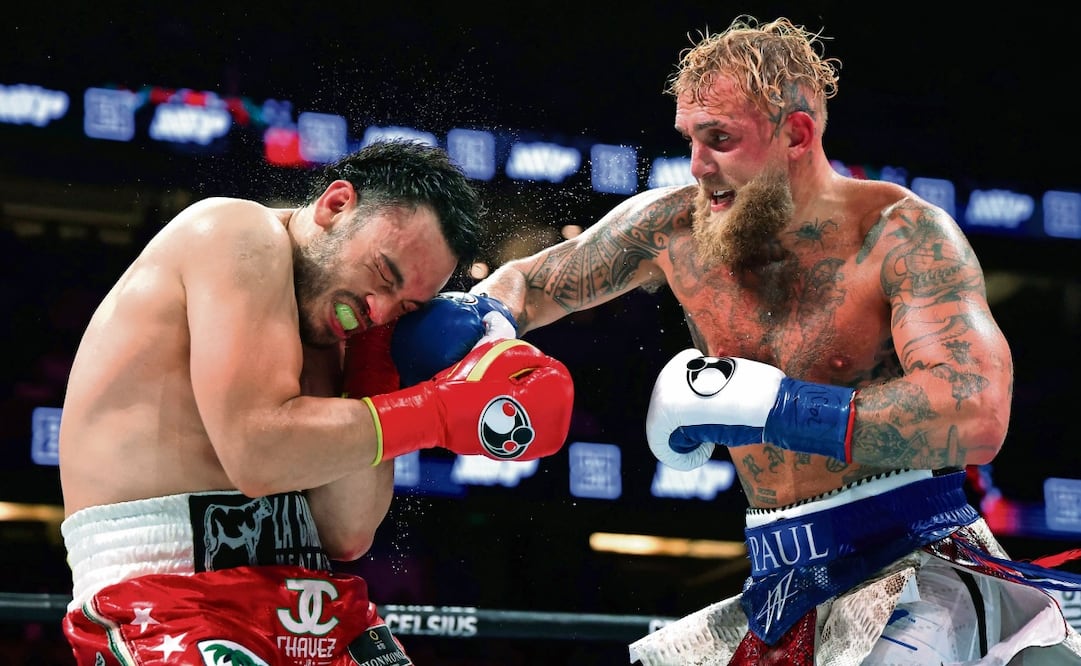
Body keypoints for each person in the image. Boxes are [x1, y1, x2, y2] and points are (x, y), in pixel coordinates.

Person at [461, 15, 1081, 666]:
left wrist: (776, 408)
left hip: (914, 564)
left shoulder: (898, 235)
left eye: (719, 140)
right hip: (784, 577)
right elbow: (526, 286)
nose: (697, 165)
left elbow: (976, 412)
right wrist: (489, 330)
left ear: (796, 133)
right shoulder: (672, 227)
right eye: (690, 140)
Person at [57, 139, 575, 666]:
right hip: (167, 587)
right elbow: (259, 454)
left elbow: (347, 532)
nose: (378, 309)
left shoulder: (349, 326)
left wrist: (374, 365)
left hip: (308, 598)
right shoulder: (234, 231)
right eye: (384, 273)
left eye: (406, 305)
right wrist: (439, 409)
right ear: (336, 204)